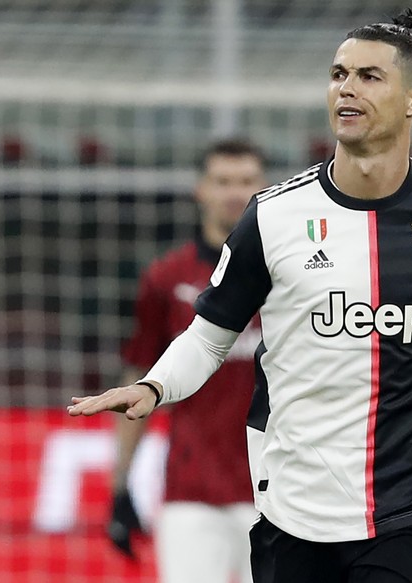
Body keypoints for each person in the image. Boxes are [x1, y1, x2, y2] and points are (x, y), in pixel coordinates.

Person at [70, 9, 412, 582]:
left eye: (369, 76)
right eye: (339, 73)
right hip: (293, 510)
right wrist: (155, 385)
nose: (347, 87)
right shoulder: (272, 214)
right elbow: (210, 337)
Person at [108, 139, 267, 583]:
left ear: (264, 188)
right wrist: (119, 486)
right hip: (192, 491)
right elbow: (138, 380)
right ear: (201, 189)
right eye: (222, 181)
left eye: (246, 181)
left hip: (279, 492)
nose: (234, 192)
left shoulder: (290, 274)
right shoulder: (167, 279)